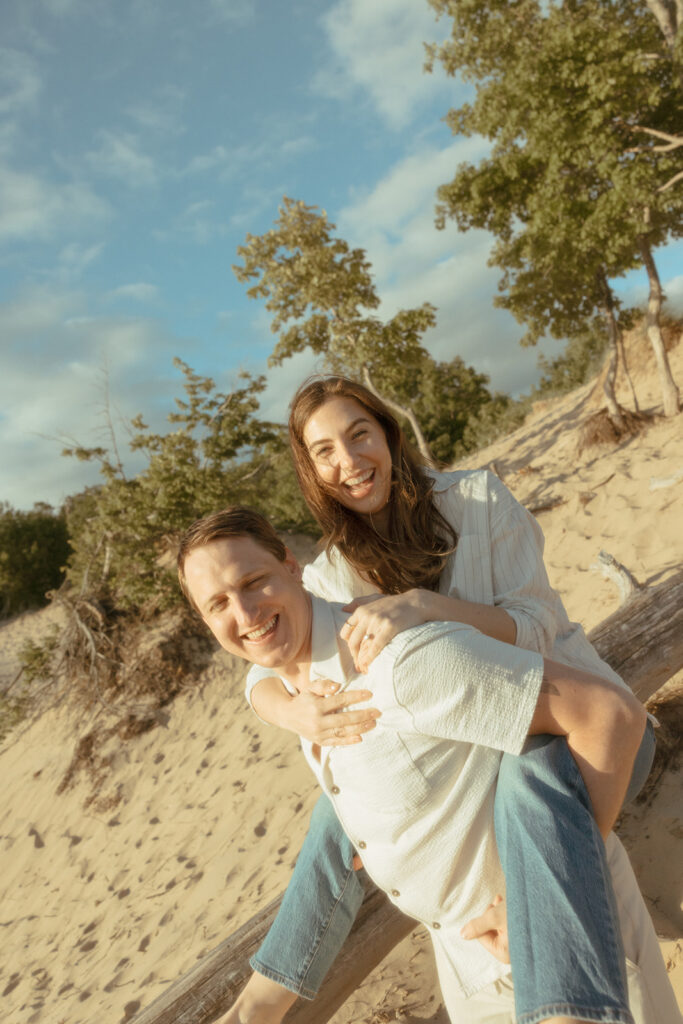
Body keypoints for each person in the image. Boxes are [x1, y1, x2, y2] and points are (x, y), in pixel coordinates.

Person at [176, 506, 680, 1024]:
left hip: (563, 931)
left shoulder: (400, 662)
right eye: (218, 604)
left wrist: (530, 907)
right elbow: (256, 678)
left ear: (291, 565)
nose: (245, 612)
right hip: (464, 962)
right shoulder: (295, 687)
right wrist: (280, 707)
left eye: (254, 581)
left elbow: (610, 716)